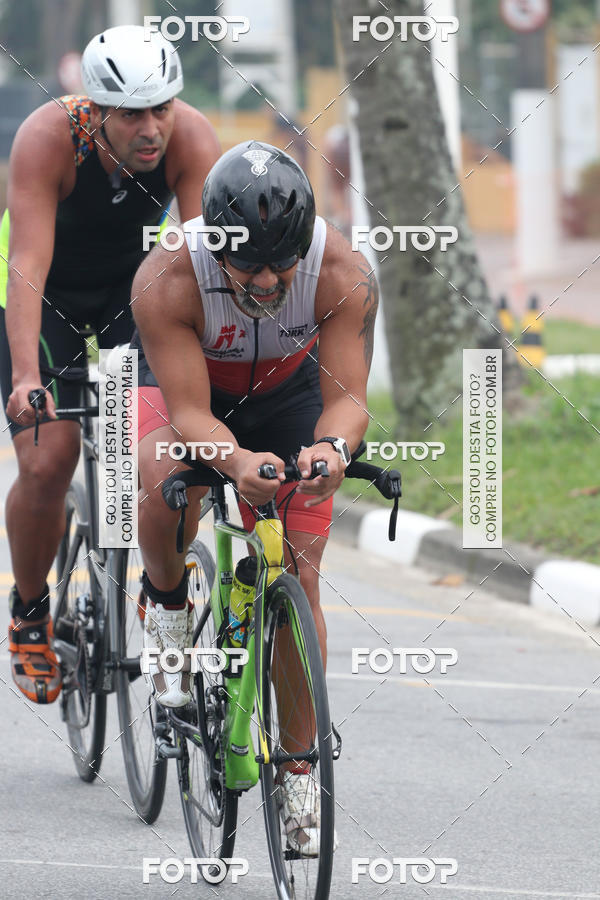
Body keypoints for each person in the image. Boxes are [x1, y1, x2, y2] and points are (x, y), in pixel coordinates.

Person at [132, 140, 379, 855]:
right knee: (163, 479)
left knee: (300, 576)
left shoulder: (341, 270)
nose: (268, 279)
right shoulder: (168, 277)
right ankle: (170, 608)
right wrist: (234, 462)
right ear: (215, 243)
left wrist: (331, 451)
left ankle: (299, 768)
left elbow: (348, 402)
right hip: (194, 398)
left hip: (288, 395)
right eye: (247, 265)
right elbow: (188, 413)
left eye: (282, 262)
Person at [0, 24, 221, 704]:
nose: (151, 127)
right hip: (48, 298)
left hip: (136, 292)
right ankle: (31, 612)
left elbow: (203, 264)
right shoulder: (46, 138)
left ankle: (161, 591)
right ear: (94, 111)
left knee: (165, 448)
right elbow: (29, 264)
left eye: (161, 107)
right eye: (131, 114)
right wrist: (28, 380)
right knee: (46, 459)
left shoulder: (191, 139)